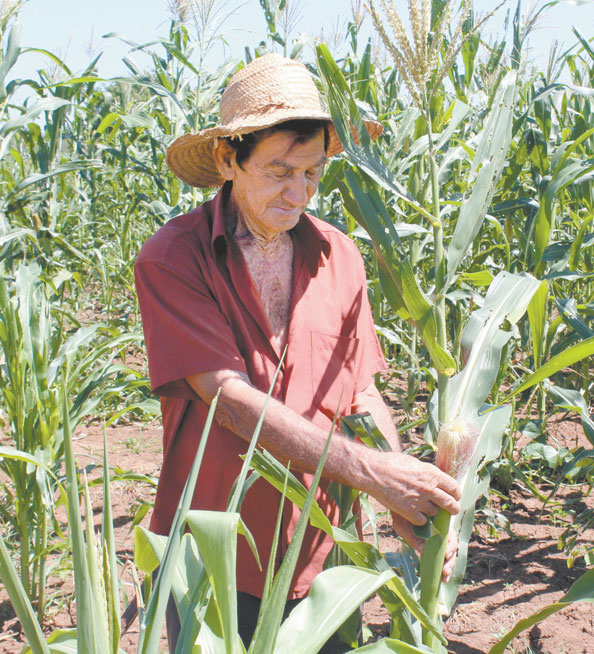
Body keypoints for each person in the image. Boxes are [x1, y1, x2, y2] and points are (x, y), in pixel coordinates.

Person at [134, 53, 461, 652]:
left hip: (325, 561)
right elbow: (229, 399)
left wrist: (404, 499)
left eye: (312, 174)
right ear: (228, 159)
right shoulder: (174, 259)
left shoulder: (340, 257)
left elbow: (361, 393)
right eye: (280, 171)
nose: (299, 194)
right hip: (218, 554)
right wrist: (376, 475)